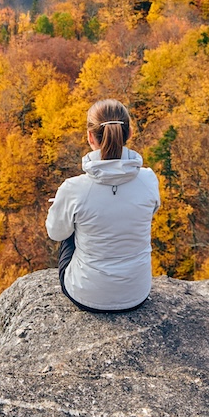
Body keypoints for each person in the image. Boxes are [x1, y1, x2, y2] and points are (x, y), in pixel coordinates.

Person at [45, 99, 161, 312]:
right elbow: (150, 211)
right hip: (137, 292)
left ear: (90, 137)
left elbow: (55, 233)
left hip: (86, 295)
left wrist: (61, 206)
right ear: (130, 133)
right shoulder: (149, 180)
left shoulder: (74, 188)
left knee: (69, 228)